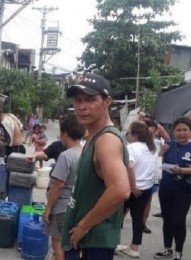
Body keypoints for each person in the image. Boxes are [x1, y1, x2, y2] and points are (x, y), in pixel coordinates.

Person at [61, 74, 131, 259]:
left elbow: (120, 190)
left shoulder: (106, 140)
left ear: (107, 102)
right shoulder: (93, 137)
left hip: (91, 243)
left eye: (91, 100)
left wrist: (84, 225)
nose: (82, 107)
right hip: (84, 240)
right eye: (78, 100)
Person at [35, 113, 84, 260]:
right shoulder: (85, 152)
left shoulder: (66, 156)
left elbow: (58, 185)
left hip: (61, 208)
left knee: (58, 248)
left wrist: (48, 208)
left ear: (65, 133)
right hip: (78, 207)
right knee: (73, 246)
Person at [154, 117, 191, 260]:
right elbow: (157, 163)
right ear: (174, 131)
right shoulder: (168, 145)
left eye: (185, 130)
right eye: (178, 130)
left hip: (184, 190)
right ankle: (167, 249)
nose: (181, 133)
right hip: (166, 188)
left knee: (178, 220)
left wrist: (182, 171)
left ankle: (178, 252)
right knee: (167, 220)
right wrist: (161, 153)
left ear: (190, 131)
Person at [119, 121, 158, 258]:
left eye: (128, 133)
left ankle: (113, 243)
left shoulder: (131, 148)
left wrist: (133, 186)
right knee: (138, 219)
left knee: (116, 216)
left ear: (134, 134)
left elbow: (130, 167)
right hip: (146, 187)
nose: (127, 135)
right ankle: (134, 248)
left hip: (132, 188)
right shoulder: (151, 147)